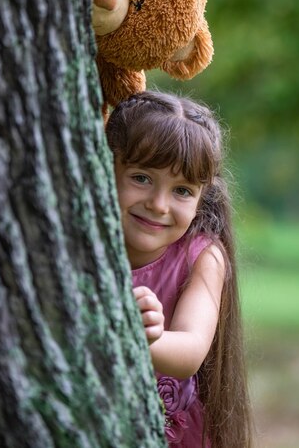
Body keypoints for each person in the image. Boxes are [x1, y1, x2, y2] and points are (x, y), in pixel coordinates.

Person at [106, 91, 252, 448]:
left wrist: (145, 338)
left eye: (182, 190)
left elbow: (190, 350)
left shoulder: (201, 256)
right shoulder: (80, 242)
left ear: (203, 196)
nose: (158, 204)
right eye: (141, 178)